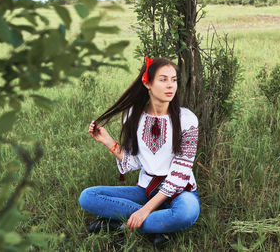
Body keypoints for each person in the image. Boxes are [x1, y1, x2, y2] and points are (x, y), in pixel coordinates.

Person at [79, 57, 200, 247]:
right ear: (147, 83)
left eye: (174, 79)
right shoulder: (134, 116)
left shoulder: (187, 119)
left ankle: (118, 225)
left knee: (186, 214)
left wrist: (144, 210)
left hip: (180, 192)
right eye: (163, 79)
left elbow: (182, 172)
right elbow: (134, 162)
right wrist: (108, 141)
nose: (171, 86)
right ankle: (158, 226)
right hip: (147, 189)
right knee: (88, 196)